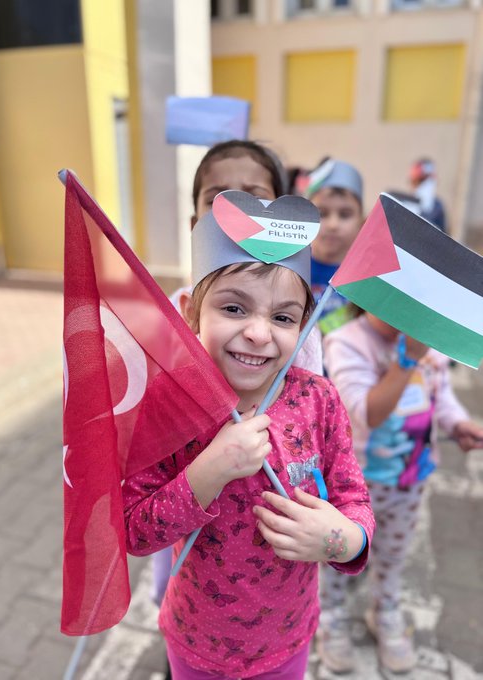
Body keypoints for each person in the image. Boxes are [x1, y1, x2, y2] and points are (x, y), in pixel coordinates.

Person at [123, 192, 375, 679]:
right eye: (234, 308)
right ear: (194, 313)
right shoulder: (169, 403)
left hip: (288, 641)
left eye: (282, 317)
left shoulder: (319, 400)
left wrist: (342, 539)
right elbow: (134, 530)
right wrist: (207, 472)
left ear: (304, 326)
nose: (259, 333)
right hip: (195, 642)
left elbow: (354, 499)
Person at [153, 141, 324, 615]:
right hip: (192, 563)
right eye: (218, 199)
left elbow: (310, 422)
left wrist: (337, 534)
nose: (256, 334)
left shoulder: (309, 375)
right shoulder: (175, 319)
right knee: (172, 577)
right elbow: (144, 511)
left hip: (280, 590)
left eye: (253, 196)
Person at [317, 310, 483, 674]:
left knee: (393, 554)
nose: (411, 314)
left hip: (411, 479)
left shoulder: (428, 342)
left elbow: (440, 397)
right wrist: (407, 358)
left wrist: (458, 424)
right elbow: (366, 413)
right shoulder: (346, 341)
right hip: (354, 486)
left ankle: (386, 610)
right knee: (335, 555)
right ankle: (330, 616)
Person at [304, 158, 365, 336]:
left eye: (345, 215)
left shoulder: (366, 279)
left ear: (361, 222)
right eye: (322, 213)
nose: (333, 225)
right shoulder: (290, 270)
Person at [409, 157, 448, 233]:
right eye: (421, 181)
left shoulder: (438, 206)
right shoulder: (404, 203)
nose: (426, 185)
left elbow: (443, 236)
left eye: (429, 180)